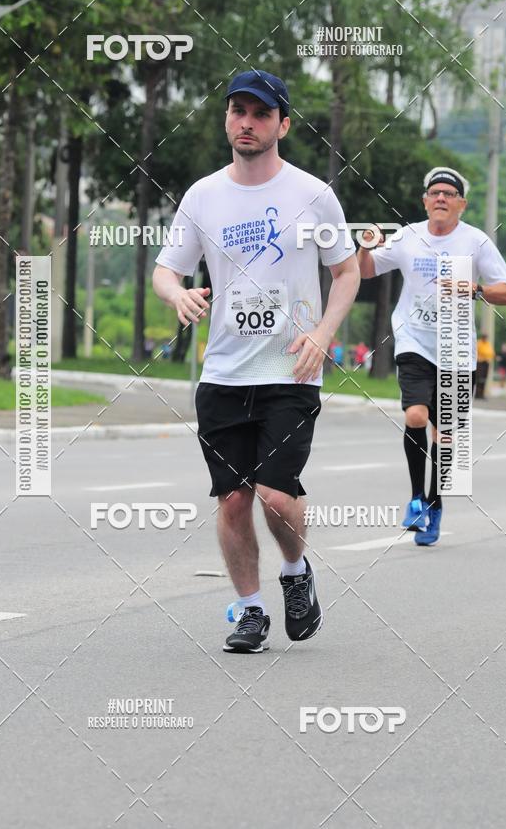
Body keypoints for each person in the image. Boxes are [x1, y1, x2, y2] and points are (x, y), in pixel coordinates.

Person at [153, 69, 360, 653]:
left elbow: (345, 273)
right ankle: (249, 610)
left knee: (273, 492)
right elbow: (166, 269)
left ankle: (295, 572)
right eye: (238, 110)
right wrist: (178, 294)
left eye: (261, 113)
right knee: (234, 498)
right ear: (227, 119)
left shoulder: (313, 195)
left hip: (291, 370)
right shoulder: (203, 196)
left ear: (283, 125)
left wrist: (322, 333)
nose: (247, 121)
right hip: (222, 372)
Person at [357, 166, 506, 545]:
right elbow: (366, 271)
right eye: (435, 193)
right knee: (415, 415)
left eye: (449, 193)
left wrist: (474, 288)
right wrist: (364, 246)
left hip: (457, 347)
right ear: (425, 201)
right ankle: (415, 498)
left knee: (446, 436)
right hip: (414, 341)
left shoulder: (475, 242)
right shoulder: (409, 237)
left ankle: (435, 503)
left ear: (461, 204)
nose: (441, 198)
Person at [475, 333, 495, 399]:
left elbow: (491, 353)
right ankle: (477, 394)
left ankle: (481, 394)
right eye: (484, 337)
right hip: (480, 363)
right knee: (479, 379)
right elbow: (479, 352)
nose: (485, 339)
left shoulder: (488, 344)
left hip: (486, 363)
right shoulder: (479, 343)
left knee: (484, 379)